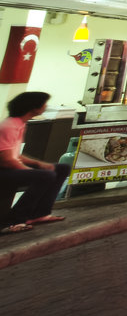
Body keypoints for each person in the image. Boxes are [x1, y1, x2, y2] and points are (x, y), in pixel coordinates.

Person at [1, 92, 68, 235]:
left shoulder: (19, 124)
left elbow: (15, 154)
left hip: (9, 166)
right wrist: (29, 171)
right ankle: (12, 221)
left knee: (61, 168)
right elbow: (6, 159)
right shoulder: (9, 126)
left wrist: (38, 164)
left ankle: (39, 213)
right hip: (3, 169)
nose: (45, 107)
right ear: (34, 108)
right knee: (45, 176)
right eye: (44, 103)